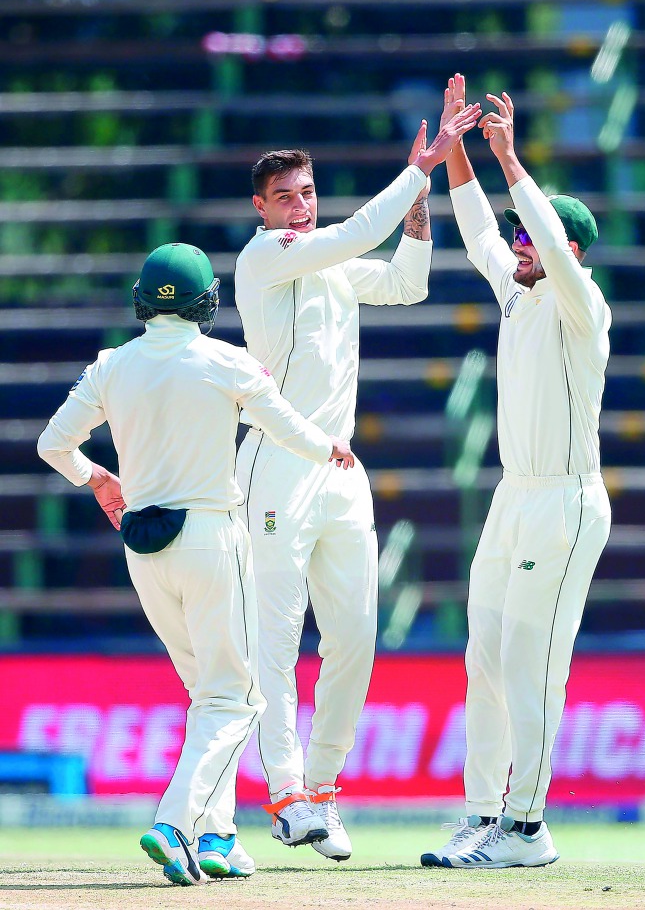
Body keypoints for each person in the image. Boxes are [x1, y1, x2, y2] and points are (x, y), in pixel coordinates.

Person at [37, 242, 354, 886]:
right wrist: (331, 449)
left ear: (142, 301)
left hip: (144, 547)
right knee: (237, 700)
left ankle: (218, 838)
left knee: (209, 695)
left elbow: (52, 444)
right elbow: (289, 429)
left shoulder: (110, 365)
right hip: (211, 538)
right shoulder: (224, 360)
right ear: (206, 300)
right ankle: (174, 822)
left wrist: (96, 478)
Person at [234, 96, 482, 860]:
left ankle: (324, 790)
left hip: (340, 469)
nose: (299, 207)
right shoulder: (264, 257)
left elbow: (408, 282)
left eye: (307, 193)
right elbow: (357, 231)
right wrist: (420, 170)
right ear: (261, 208)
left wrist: (421, 201)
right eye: (285, 197)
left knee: (355, 639)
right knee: (276, 639)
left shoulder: (332, 264)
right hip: (277, 462)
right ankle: (286, 795)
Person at [421, 74, 612, 870]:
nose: (518, 247)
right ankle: (481, 814)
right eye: (520, 239)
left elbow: (546, 244)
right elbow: (476, 230)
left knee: (533, 663)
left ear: (567, 251)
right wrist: (456, 149)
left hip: (566, 503)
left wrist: (510, 160)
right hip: (514, 497)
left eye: (530, 238)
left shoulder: (582, 305)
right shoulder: (516, 288)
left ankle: (528, 829)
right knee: (488, 657)